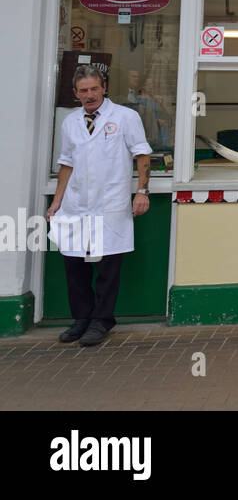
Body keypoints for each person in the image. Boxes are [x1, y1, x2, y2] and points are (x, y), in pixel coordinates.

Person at [46, 66, 152, 347]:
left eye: (94, 89)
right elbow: (66, 163)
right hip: (76, 203)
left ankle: (102, 320)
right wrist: (57, 201)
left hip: (110, 202)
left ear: (104, 87)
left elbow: (141, 155)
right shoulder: (70, 122)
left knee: (108, 266)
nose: (89, 95)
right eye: (83, 91)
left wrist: (142, 191)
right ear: (75, 94)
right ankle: (81, 318)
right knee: (75, 264)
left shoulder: (126, 117)